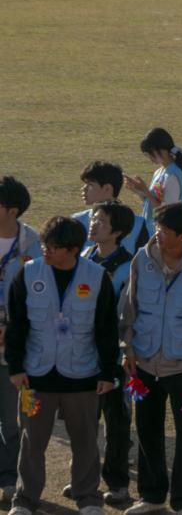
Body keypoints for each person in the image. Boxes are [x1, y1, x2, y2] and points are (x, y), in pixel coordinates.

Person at [5, 216, 118, 515]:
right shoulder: (28, 273)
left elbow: (107, 328)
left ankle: (88, 497)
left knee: (85, 442)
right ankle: (25, 499)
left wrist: (108, 372)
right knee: (32, 443)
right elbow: (16, 325)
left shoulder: (97, 277)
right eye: (45, 244)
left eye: (53, 247)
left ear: (73, 249)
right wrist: (15, 367)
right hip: (36, 377)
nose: (46, 250)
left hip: (82, 376)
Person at [119, 203, 182, 515]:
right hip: (144, 362)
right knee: (147, 430)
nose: (158, 235)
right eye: (157, 228)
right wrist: (128, 348)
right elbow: (129, 306)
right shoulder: (142, 258)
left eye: (164, 231)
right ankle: (151, 496)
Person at [82, 200, 136, 505]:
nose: (93, 224)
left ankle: (118, 484)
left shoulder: (130, 267)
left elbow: (127, 315)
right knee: (83, 421)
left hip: (114, 357)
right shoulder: (84, 257)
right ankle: (84, 479)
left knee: (116, 422)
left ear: (117, 231)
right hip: (81, 355)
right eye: (93, 218)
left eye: (101, 221)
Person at [0, 177, 41, 502]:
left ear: (12, 211)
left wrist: (13, 327)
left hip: (13, 345)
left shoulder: (32, 244)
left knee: (11, 419)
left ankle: (9, 479)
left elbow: (39, 294)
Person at [123, 128, 182, 234]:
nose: (150, 158)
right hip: (154, 231)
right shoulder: (160, 172)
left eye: (150, 154)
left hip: (168, 235)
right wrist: (137, 190)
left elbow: (167, 212)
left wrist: (146, 191)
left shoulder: (172, 176)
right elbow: (153, 202)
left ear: (162, 150)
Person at [72, 160, 149, 254]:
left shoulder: (138, 223)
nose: (84, 188)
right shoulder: (76, 221)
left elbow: (143, 258)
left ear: (107, 189)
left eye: (90, 184)